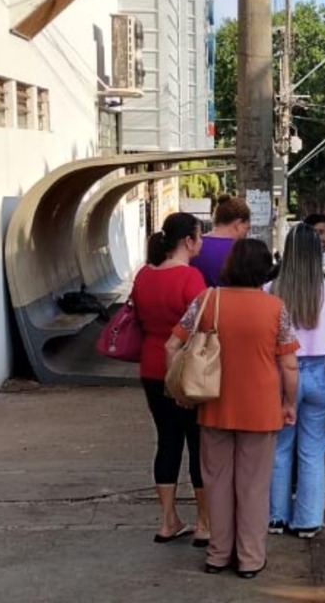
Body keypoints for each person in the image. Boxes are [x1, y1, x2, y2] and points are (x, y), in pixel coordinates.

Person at [166, 238, 300, 579]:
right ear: (264, 269)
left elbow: (172, 345)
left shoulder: (207, 300)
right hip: (261, 408)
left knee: (218, 484)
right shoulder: (275, 308)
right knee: (254, 487)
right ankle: (250, 560)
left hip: (213, 406)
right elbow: (289, 365)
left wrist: (181, 390)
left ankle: (217, 555)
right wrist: (288, 403)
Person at [130, 212, 210, 547]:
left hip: (151, 366)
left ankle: (167, 520)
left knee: (166, 441)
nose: (201, 243)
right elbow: (205, 326)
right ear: (188, 242)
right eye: (199, 236)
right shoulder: (191, 279)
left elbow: (136, 316)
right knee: (197, 444)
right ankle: (204, 524)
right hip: (187, 369)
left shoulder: (143, 275)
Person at [266, 224, 325, 538]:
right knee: (312, 449)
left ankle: (277, 517)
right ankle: (309, 521)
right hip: (320, 373)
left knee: (280, 448)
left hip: (281, 376)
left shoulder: (270, 289)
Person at [191, 194, 251, 287]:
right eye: (247, 228)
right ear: (238, 224)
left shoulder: (194, 245)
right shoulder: (241, 251)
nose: (246, 233)